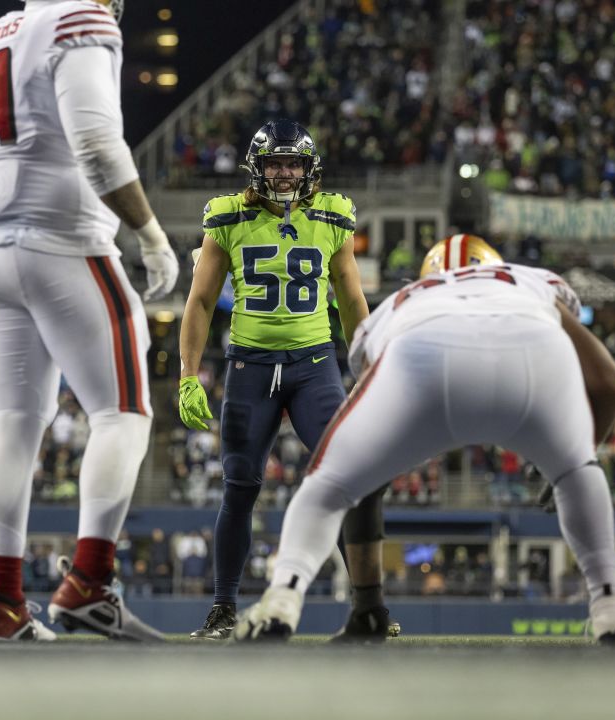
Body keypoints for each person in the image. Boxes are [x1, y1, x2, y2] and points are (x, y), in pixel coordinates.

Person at [233, 234, 615, 644]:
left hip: (422, 349)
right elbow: (613, 387)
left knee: (328, 484)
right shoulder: (529, 279)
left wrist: (352, 467)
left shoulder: (406, 297)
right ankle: (610, 605)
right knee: (578, 474)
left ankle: (284, 597)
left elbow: (359, 426)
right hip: (532, 347)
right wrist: (572, 462)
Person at [0, 0, 174, 641]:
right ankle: (89, 585)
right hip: (60, 236)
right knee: (122, 412)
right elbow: (98, 144)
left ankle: (3, 604)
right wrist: (150, 233)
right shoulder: (80, 21)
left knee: (14, 425)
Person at [178, 119, 393, 641]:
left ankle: (370, 606)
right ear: (257, 166)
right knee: (239, 487)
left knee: (348, 478)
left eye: (291, 162)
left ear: (308, 167)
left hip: (313, 365)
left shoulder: (332, 217)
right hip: (250, 367)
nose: (283, 172)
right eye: (274, 162)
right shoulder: (228, 217)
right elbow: (201, 301)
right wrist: (188, 375)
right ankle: (224, 606)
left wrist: (367, 368)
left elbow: (350, 297)